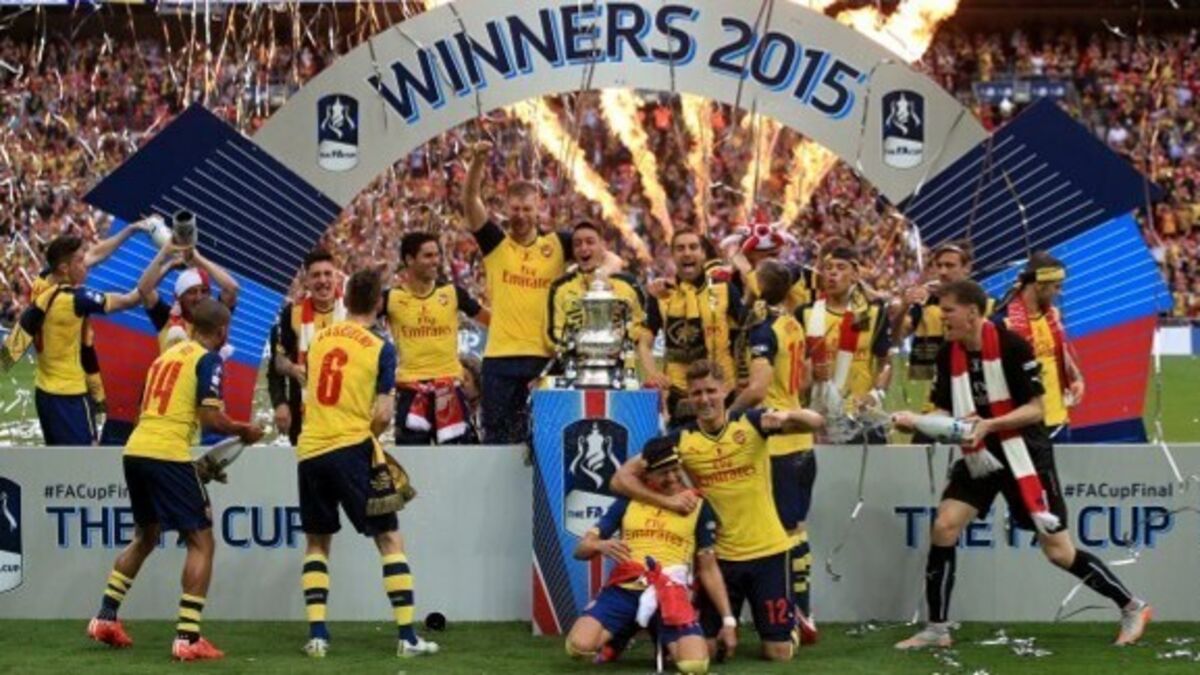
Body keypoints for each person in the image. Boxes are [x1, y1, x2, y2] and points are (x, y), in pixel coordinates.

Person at [891, 280, 1151, 650]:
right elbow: (946, 411)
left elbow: (1036, 409)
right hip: (980, 454)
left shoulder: (1012, 346)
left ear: (972, 312)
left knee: (1058, 551)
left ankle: (1132, 606)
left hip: (1024, 454)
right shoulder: (949, 353)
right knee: (944, 526)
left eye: (948, 310)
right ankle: (937, 628)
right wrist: (918, 422)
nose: (941, 317)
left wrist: (990, 424)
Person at [86, 299, 264, 661]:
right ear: (222, 331)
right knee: (202, 542)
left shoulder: (164, 357)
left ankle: (105, 617)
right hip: (167, 454)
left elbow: (150, 409)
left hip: (136, 451)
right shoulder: (208, 359)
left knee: (145, 536)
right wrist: (242, 430)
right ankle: (188, 636)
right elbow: (210, 417)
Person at [612, 360, 824, 662]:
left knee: (778, 654)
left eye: (711, 390)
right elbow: (620, 479)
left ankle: (792, 623)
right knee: (709, 651)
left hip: (769, 552)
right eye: (697, 393)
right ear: (689, 396)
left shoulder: (752, 423)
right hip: (720, 559)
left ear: (725, 390)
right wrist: (668, 502)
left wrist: (787, 415)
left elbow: (815, 422)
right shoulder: (681, 440)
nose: (705, 399)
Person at [293, 269, 438, 659]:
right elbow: (384, 414)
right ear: (378, 303)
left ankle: (318, 636)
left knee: (317, 541)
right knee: (389, 538)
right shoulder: (380, 348)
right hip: (350, 448)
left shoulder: (321, 339)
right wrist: (367, 433)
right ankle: (407, 637)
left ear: (344, 297)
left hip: (310, 451)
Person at [461, 141, 616, 443]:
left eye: (527, 209)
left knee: (547, 438)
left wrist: (600, 277)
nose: (521, 215)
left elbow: (608, 256)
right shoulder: (496, 244)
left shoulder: (557, 244)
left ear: (539, 209)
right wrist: (478, 162)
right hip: (500, 357)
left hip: (545, 356)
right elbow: (470, 201)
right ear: (506, 209)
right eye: (515, 209)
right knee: (498, 439)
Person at [566, 436, 735, 674]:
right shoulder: (628, 501)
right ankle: (627, 629)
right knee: (578, 648)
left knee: (695, 666)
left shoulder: (697, 505)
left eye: (675, 470)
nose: (672, 478)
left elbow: (708, 567)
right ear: (647, 475)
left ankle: (655, 633)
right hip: (625, 588)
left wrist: (728, 620)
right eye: (664, 473)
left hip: (670, 592)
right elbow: (580, 551)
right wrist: (599, 545)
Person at [728, 260, 818, 645]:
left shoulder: (764, 331)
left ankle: (795, 614)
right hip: (802, 443)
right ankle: (805, 610)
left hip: (778, 444)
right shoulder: (793, 323)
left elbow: (759, 389)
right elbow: (807, 377)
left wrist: (729, 414)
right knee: (796, 528)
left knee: (780, 531)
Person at [1, 235, 143, 445]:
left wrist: (131, 229)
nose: (86, 263)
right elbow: (130, 299)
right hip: (71, 392)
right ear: (64, 268)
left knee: (59, 458)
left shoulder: (42, 283)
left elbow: (94, 255)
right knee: (85, 457)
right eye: (80, 260)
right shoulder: (76, 299)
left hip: (44, 391)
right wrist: (163, 260)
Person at [384, 232, 489, 445]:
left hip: (450, 389)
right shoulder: (391, 299)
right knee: (412, 460)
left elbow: (489, 319)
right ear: (409, 259)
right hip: (411, 392)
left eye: (437, 255)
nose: (435, 261)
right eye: (428, 256)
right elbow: (361, 320)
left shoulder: (452, 293)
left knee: (457, 459)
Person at [892, 242, 994, 443]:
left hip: (972, 399)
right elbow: (897, 337)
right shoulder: (924, 303)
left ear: (967, 268)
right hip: (932, 401)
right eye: (939, 266)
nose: (942, 272)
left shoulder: (984, 304)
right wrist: (904, 306)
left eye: (950, 265)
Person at [645, 231, 744, 428]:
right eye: (680, 248)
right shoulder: (661, 294)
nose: (687, 253)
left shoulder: (724, 289)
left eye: (693, 247)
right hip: (680, 394)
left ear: (703, 254)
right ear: (672, 255)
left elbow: (743, 333)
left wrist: (743, 377)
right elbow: (644, 341)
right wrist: (652, 373)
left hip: (723, 389)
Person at [799, 246, 891, 443]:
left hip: (861, 413)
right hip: (818, 414)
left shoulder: (873, 313)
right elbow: (795, 366)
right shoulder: (805, 313)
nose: (832, 273)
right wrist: (809, 372)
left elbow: (886, 363)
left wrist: (876, 394)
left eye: (841, 267)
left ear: (855, 275)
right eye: (828, 268)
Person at [998, 252, 1084, 440]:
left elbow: (1058, 350)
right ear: (1038, 285)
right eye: (1056, 287)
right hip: (1024, 420)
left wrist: (1076, 378)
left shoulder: (1052, 314)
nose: (1060, 292)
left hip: (1058, 417)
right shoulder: (1004, 322)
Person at [547, 221, 652, 370]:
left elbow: (641, 326)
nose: (583, 248)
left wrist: (619, 344)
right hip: (576, 371)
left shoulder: (629, 284)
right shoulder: (560, 287)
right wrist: (579, 349)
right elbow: (553, 334)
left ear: (603, 245)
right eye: (577, 244)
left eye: (590, 242)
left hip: (620, 370)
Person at [269, 247, 345, 446]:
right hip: (303, 414)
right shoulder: (291, 314)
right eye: (316, 275)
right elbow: (275, 366)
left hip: (347, 413)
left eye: (327, 274)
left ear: (336, 277)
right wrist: (280, 403)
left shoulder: (352, 310)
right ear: (307, 281)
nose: (323, 280)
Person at [138, 241, 240, 351]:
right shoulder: (166, 317)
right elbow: (144, 289)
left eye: (204, 291)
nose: (199, 297)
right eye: (192, 292)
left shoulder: (215, 318)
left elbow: (232, 288)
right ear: (180, 297)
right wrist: (166, 255)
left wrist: (197, 259)